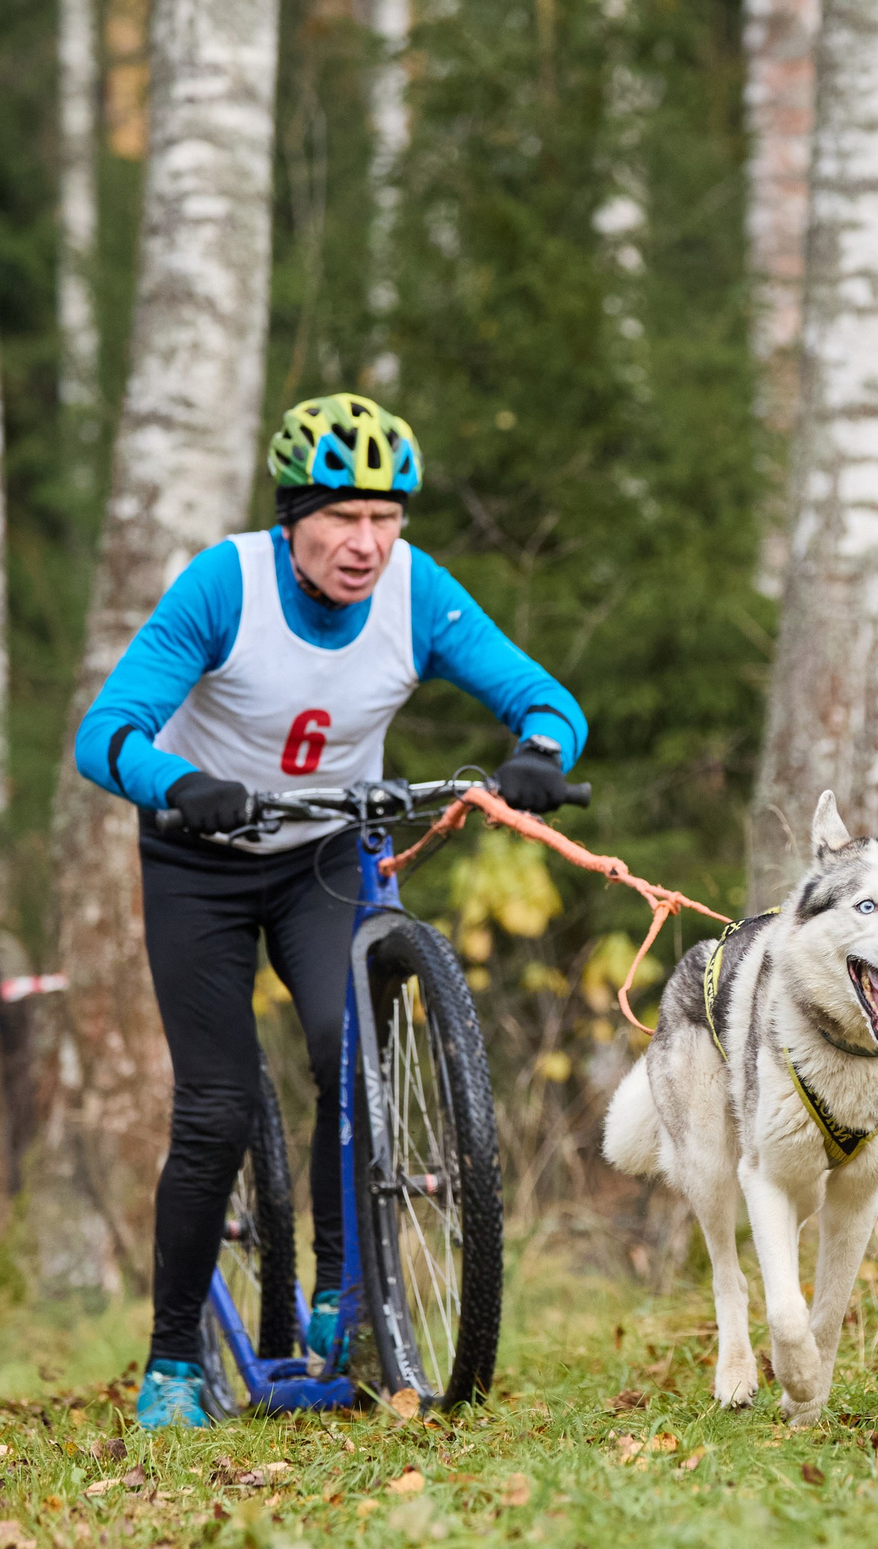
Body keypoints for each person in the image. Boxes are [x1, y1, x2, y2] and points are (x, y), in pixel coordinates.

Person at [75, 394, 586, 1429]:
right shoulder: (229, 583)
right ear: (293, 518)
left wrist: (538, 755)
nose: (366, 544)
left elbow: (546, 699)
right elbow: (106, 734)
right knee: (215, 1109)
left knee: (345, 1050)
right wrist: (176, 783)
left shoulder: (414, 593)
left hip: (325, 856)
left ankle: (337, 1296)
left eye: (386, 520)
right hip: (198, 860)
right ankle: (172, 1360)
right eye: (343, 519)